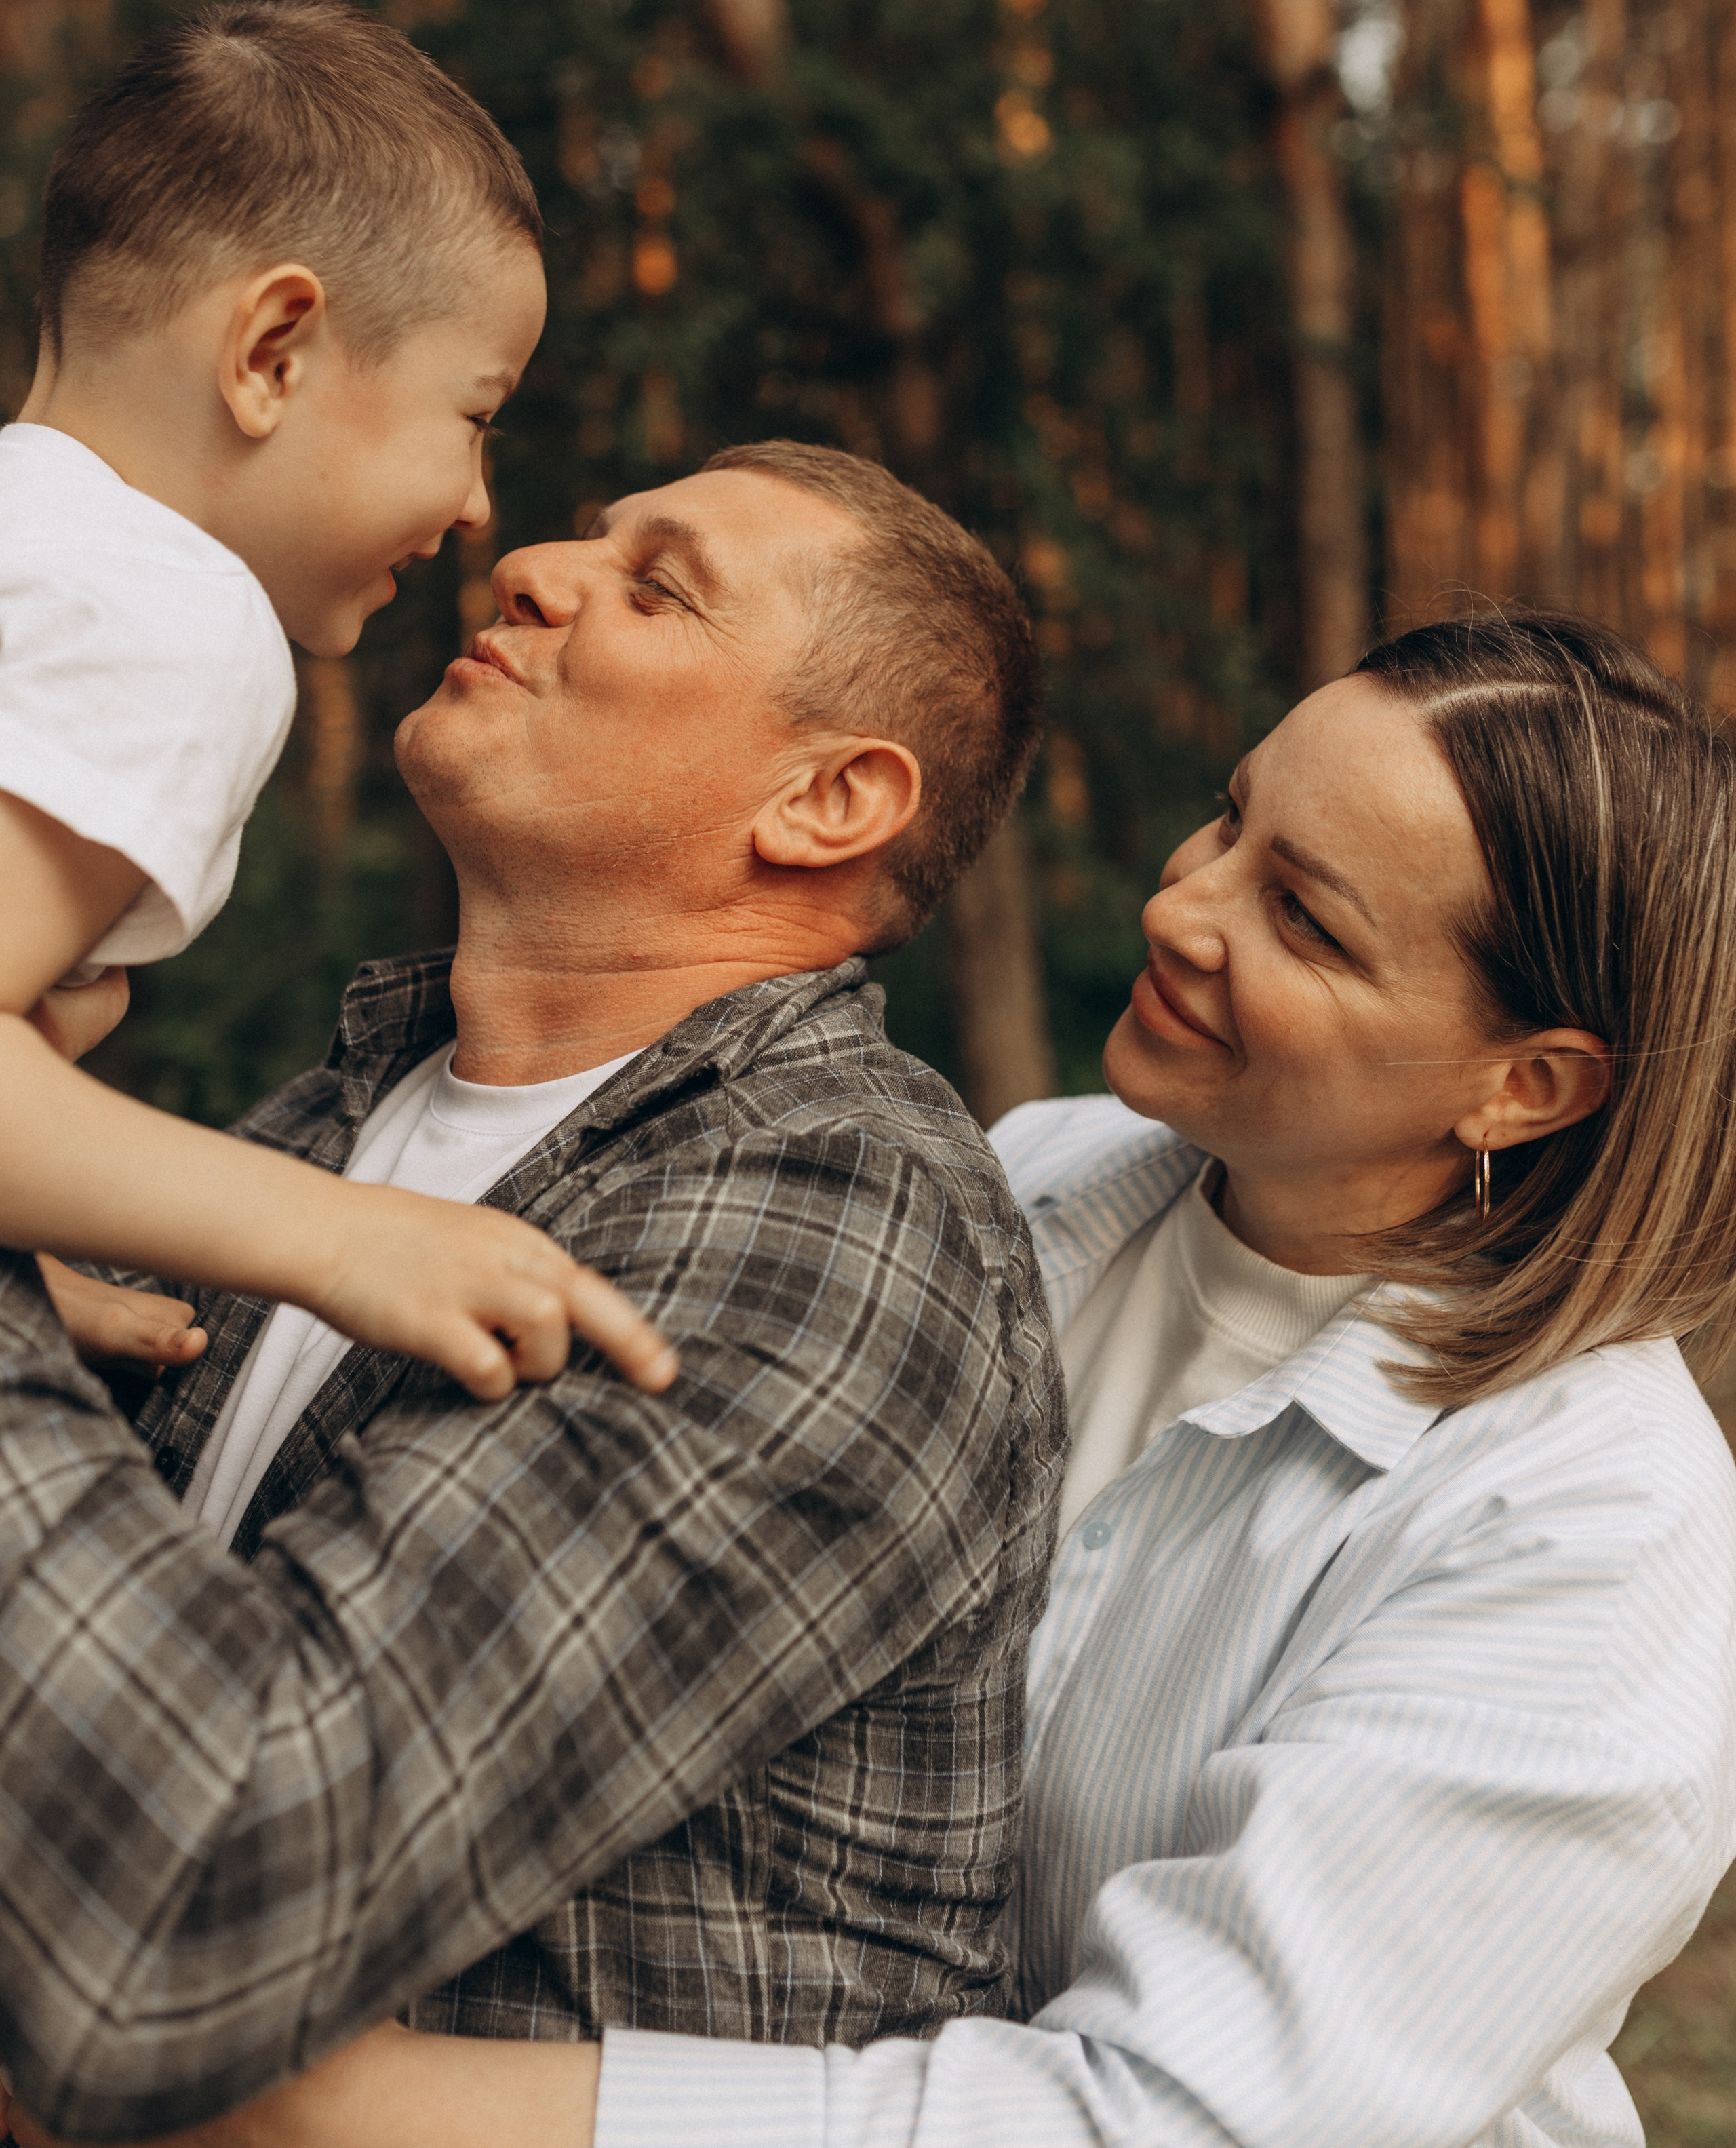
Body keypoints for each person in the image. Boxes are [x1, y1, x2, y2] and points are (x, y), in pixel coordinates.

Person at [92, 606, 1736, 2148]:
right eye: (1227, 821)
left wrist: (327, 2108)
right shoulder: (1020, 1183)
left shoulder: (1594, 1533)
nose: (1181, 906)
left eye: (1301, 918)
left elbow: (1165, 2121)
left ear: (1524, 1085)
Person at [0, 442, 1065, 2145]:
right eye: (586, 533)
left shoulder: (836, 1221)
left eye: (656, 585)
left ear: (825, 803)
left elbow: (185, 1910)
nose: (530, 566)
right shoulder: (336, 1120)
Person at [1, 0, 669, 1405]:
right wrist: (339, 1234)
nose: (480, 509)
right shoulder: (167, 610)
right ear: (272, 355)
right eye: (474, 415)